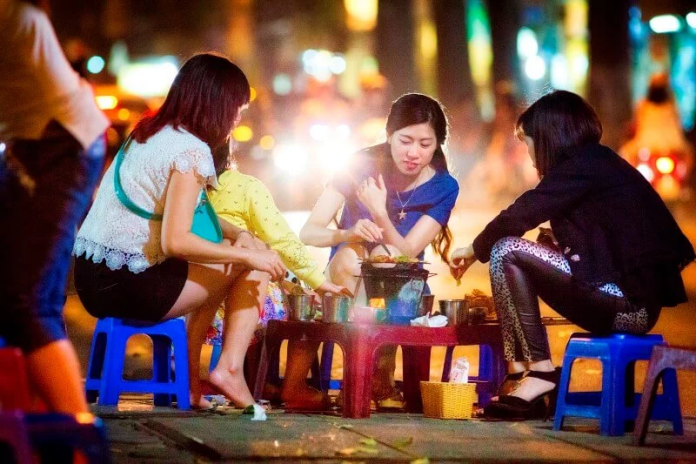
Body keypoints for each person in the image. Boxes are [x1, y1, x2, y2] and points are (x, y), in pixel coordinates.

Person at [449, 90, 695, 419]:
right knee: (514, 253)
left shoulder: (585, 164)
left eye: (530, 142)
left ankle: (539, 372)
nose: (529, 153)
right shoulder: (596, 163)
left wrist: (473, 248)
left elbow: (523, 212)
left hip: (628, 307)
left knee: (505, 250)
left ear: (549, 138)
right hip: (625, 300)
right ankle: (521, 371)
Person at [73, 52, 286, 411]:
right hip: (127, 284)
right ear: (218, 105)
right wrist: (249, 254)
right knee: (251, 267)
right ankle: (229, 369)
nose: (237, 119)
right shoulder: (191, 149)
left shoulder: (147, 134)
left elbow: (187, 214)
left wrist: (237, 236)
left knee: (227, 262)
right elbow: (176, 240)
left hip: (92, 277)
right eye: (237, 108)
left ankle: (189, 384)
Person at [300, 93, 459, 408]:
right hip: (348, 275)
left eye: (425, 144)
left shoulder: (444, 186)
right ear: (389, 135)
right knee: (354, 257)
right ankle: (368, 377)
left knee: (384, 256)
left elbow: (408, 252)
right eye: (405, 141)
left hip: (405, 287)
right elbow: (309, 231)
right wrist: (347, 232)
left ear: (438, 144)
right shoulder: (360, 166)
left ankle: (377, 377)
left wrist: (380, 213)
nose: (413, 153)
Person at [0, 0, 109, 415]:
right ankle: (32, 428)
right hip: (28, 147)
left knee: (27, 303)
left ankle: (79, 442)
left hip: (61, 146)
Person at [202, 168, 348, 409]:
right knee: (307, 307)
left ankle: (256, 381)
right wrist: (319, 283)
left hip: (189, 293)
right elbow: (282, 240)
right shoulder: (244, 185)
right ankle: (293, 386)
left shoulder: (185, 184)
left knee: (267, 277)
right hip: (233, 296)